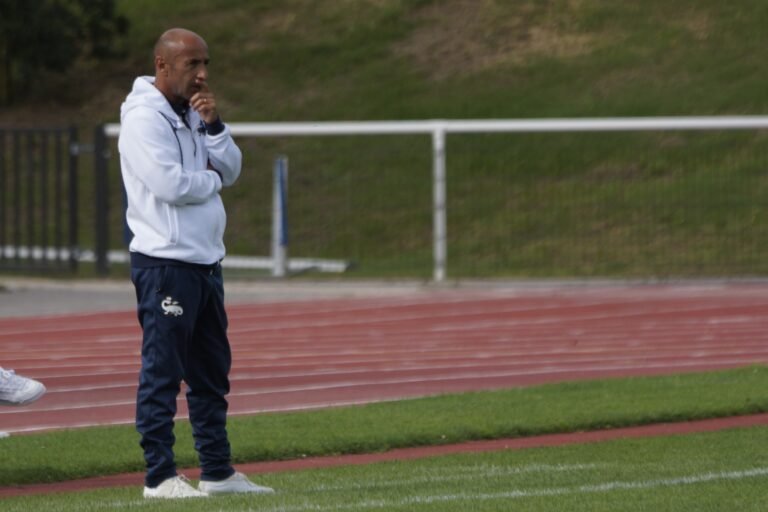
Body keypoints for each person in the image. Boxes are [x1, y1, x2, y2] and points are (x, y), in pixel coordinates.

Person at [118, 28, 273, 499]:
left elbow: (233, 168)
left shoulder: (191, 113)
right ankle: (159, 476)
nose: (203, 74)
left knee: (211, 372)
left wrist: (215, 126)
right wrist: (211, 178)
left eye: (206, 63)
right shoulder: (144, 119)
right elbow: (171, 186)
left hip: (205, 261)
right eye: (192, 65)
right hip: (166, 263)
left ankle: (218, 471)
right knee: (163, 371)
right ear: (163, 66)